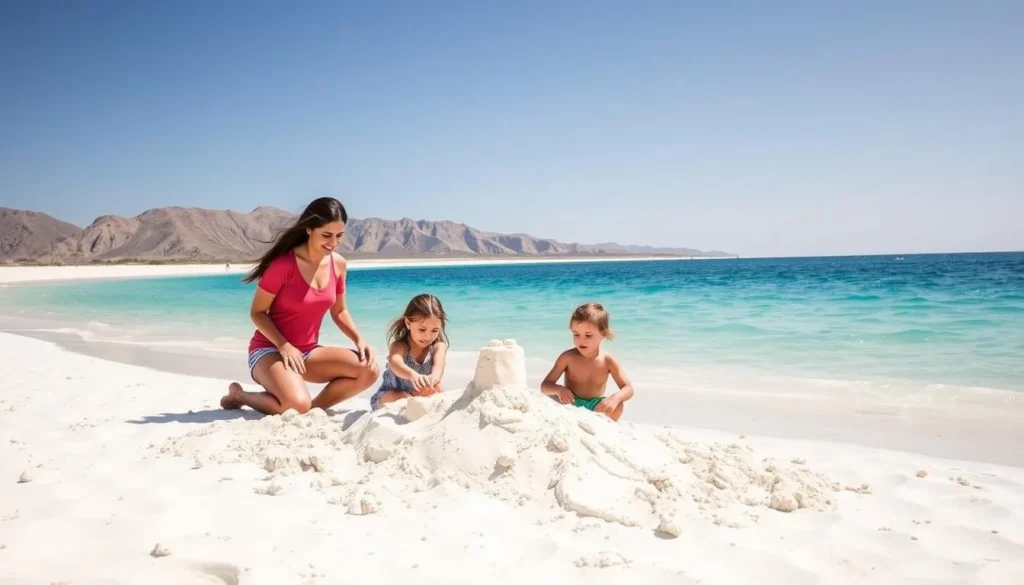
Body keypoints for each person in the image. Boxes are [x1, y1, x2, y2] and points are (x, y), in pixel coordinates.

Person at [221, 197, 380, 415]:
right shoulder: (283, 265)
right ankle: (241, 396)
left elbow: (340, 311)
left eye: (339, 236)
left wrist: (359, 339)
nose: (333, 243)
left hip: (307, 353)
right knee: (297, 405)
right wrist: (284, 345)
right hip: (269, 351)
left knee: (368, 370)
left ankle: (312, 408)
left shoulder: (339, 264)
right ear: (308, 229)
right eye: (326, 235)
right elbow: (257, 313)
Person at [541, 302, 634, 421]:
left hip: (596, 406)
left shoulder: (608, 360)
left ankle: (602, 425)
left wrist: (615, 398)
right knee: (549, 398)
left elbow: (628, 388)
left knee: (619, 404)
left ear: (603, 334)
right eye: (576, 334)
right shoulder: (567, 357)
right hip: (570, 402)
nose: (581, 340)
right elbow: (545, 386)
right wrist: (559, 389)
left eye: (588, 335)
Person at [368, 294, 449, 410]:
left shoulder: (438, 347)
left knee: (438, 388)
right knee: (402, 396)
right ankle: (416, 406)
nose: (428, 336)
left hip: (418, 393)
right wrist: (412, 375)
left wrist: (432, 379)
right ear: (408, 323)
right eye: (422, 329)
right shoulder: (400, 346)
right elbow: (395, 363)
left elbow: (439, 366)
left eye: (434, 330)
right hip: (389, 396)